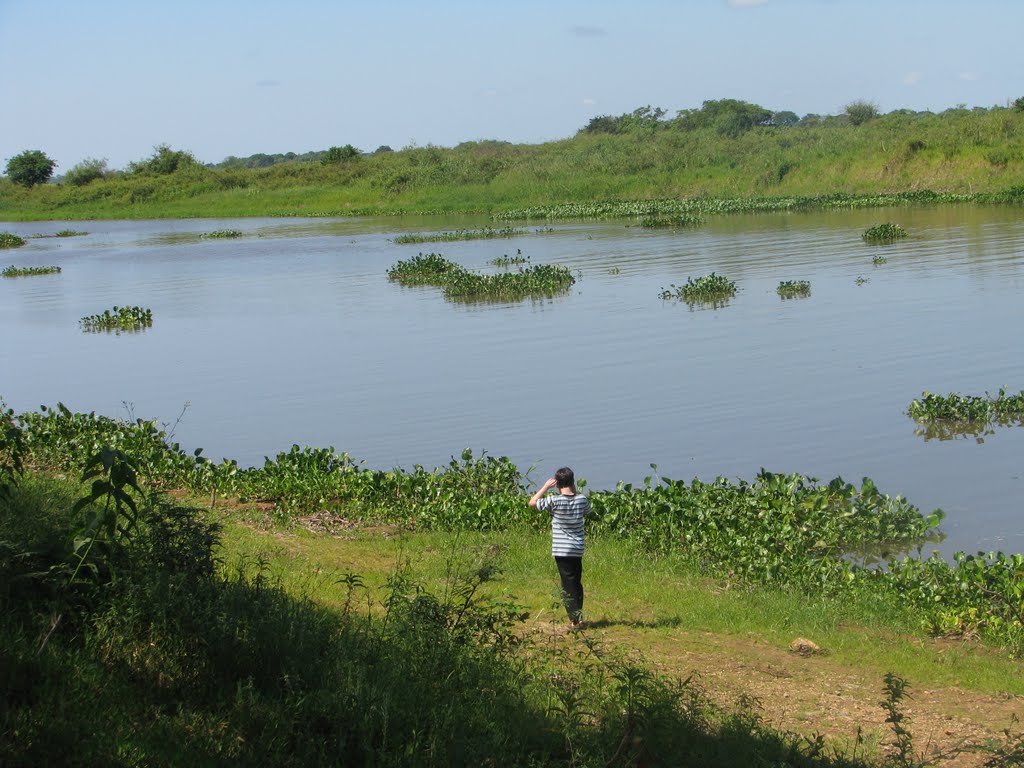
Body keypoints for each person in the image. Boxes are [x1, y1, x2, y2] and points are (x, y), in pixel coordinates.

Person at [529, 466, 590, 630]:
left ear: (557, 484)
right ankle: (579, 617)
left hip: (561, 550)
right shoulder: (582, 500)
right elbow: (587, 511)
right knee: (576, 582)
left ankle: (574, 621)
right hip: (577, 549)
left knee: (567, 585)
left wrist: (545, 487)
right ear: (572, 481)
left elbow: (533, 503)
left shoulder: (554, 501)